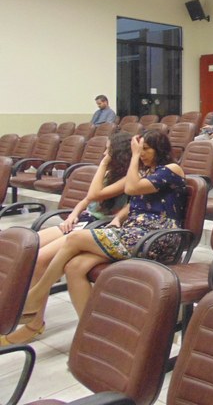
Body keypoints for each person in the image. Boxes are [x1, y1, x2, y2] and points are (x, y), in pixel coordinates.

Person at [1, 130, 186, 346]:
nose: (142, 153)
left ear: (160, 149)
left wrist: (134, 156)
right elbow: (134, 202)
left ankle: (35, 296)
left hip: (156, 237)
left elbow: (132, 189)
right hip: (134, 231)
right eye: (139, 149)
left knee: (74, 239)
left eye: (146, 149)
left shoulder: (172, 169)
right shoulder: (147, 172)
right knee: (74, 267)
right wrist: (118, 218)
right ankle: (94, 334)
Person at [29, 132, 132, 288]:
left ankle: (33, 302)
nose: (104, 154)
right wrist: (73, 215)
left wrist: (103, 164)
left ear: (119, 154)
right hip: (84, 220)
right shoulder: (110, 173)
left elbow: (93, 194)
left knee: (41, 259)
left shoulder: (129, 177)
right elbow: (86, 200)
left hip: (98, 226)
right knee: (29, 246)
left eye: (108, 150)